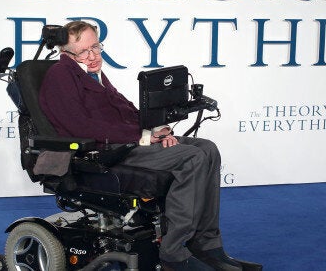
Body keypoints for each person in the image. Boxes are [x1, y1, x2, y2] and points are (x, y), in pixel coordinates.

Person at [39, 21, 262, 271]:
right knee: (193, 158)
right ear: (66, 53)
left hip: (127, 142)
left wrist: (157, 128)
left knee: (208, 149)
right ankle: (173, 253)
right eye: (84, 52)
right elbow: (80, 126)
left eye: (96, 47)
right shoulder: (60, 75)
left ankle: (206, 244)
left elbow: (126, 110)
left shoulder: (94, 74)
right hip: (104, 153)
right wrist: (142, 137)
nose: (92, 56)